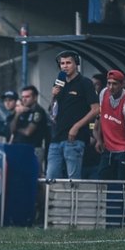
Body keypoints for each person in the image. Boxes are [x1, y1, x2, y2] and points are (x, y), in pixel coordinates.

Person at [46, 51, 99, 180]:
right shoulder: (59, 82)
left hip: (74, 139)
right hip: (57, 137)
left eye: (68, 63)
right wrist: (53, 96)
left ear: (76, 64)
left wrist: (76, 126)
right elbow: (52, 111)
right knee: (51, 177)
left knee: (73, 180)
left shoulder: (85, 83)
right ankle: (56, 201)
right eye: (62, 63)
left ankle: (73, 201)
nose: (65, 66)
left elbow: (96, 109)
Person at [95, 70, 125, 181]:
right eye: (108, 83)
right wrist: (99, 139)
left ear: (122, 84)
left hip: (123, 149)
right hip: (108, 147)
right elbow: (102, 116)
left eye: (114, 84)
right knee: (102, 179)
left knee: (121, 183)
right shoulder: (103, 93)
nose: (111, 87)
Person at [10, 85, 49, 170]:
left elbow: (28, 132)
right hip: (20, 149)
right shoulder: (22, 110)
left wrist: (17, 130)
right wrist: (17, 114)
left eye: (27, 97)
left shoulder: (38, 111)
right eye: (23, 97)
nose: (24, 99)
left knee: (32, 178)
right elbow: (11, 130)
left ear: (35, 98)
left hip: (33, 150)